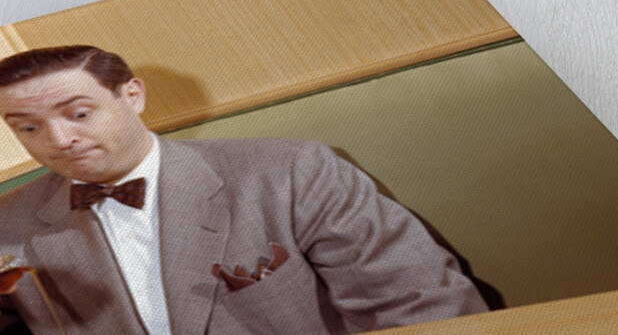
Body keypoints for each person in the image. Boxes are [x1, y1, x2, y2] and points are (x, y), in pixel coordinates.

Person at [0, 45, 488, 334]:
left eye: (79, 114)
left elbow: (418, 306)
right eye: (28, 128)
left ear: (132, 95)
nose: (60, 141)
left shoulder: (291, 171)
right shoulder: (8, 223)